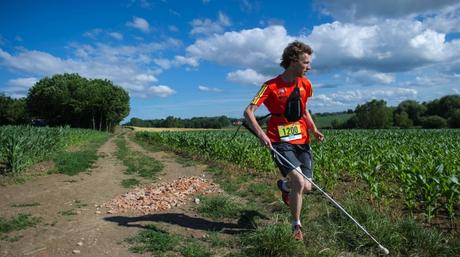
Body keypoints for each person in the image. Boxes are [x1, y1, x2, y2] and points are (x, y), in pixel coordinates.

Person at [243, 40, 324, 241]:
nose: (309, 67)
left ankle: (285, 188)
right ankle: (296, 226)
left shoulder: (306, 84)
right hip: (279, 141)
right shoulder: (270, 86)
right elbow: (249, 111)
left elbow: (304, 109)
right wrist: (262, 135)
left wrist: (314, 129)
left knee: (306, 187)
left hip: (302, 140)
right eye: (306, 62)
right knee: (298, 181)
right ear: (292, 61)